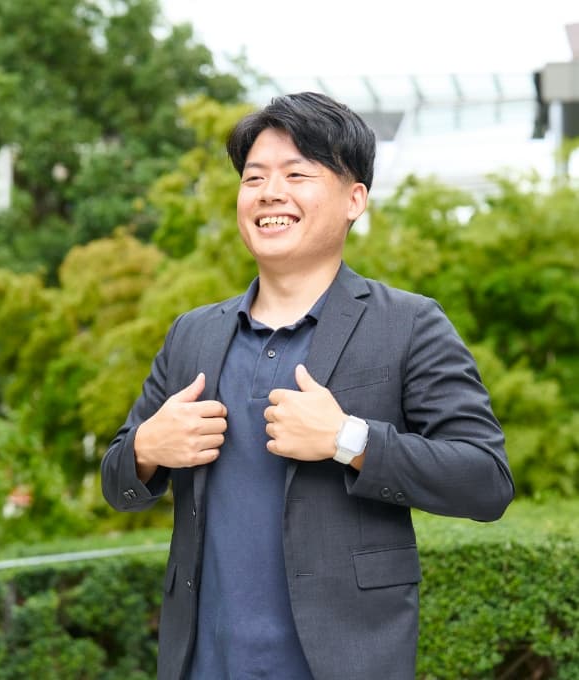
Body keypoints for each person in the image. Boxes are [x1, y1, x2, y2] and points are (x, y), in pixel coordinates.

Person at [101, 91, 514, 680]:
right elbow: (117, 481)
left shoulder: (409, 324)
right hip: (203, 664)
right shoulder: (192, 333)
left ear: (354, 199)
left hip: (345, 663)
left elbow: (485, 480)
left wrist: (348, 439)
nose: (271, 192)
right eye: (254, 177)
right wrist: (147, 449)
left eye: (297, 174)